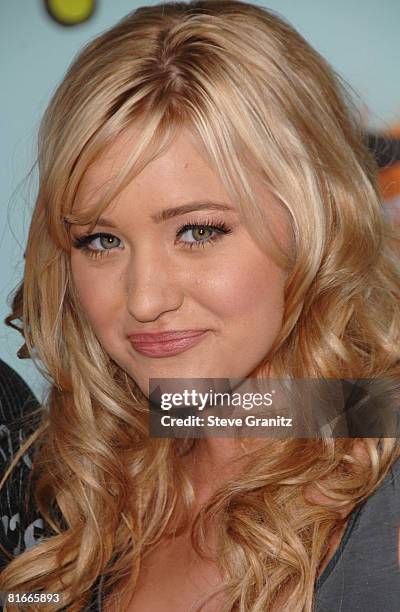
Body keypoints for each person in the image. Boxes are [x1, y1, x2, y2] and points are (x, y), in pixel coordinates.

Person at [0, 1, 399, 610]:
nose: (145, 299)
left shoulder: (381, 474)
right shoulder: (76, 487)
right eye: (100, 240)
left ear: (316, 219)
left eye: (199, 231)